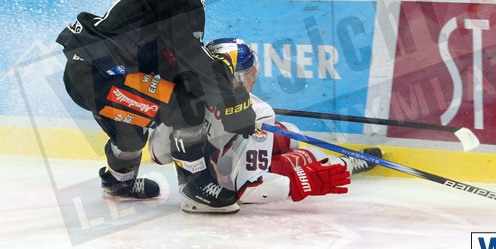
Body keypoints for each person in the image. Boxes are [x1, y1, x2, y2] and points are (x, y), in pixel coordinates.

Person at [56, 0, 256, 214]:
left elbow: (174, 61)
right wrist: (232, 102)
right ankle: (196, 186)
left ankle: (119, 181)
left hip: (89, 72)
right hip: (102, 76)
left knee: (132, 133)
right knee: (186, 103)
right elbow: (192, 61)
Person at [149, 37, 383, 208]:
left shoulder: (186, 97)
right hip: (228, 183)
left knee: (289, 133)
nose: (255, 75)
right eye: (251, 70)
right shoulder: (258, 111)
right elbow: (250, 189)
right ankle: (347, 163)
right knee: (309, 155)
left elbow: (157, 155)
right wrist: (301, 182)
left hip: (203, 176)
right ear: (237, 76)